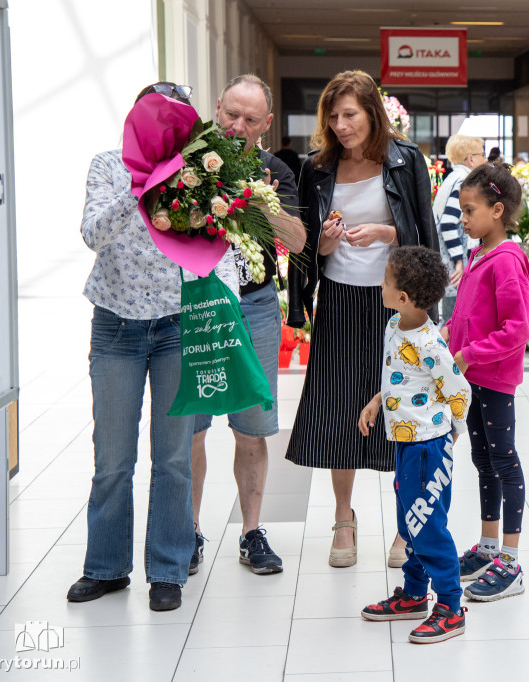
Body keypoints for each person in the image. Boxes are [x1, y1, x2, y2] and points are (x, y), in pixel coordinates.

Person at [67, 82, 238, 612]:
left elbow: (222, 238)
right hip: (116, 325)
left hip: (177, 325)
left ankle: (167, 569)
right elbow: (92, 233)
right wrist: (142, 185)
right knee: (112, 458)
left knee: (172, 458)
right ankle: (106, 567)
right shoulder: (106, 165)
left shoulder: (203, 168)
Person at [285, 70, 436, 569]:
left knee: (400, 409)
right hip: (339, 301)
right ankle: (344, 519)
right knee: (337, 407)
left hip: (396, 302)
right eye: (333, 115)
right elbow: (307, 244)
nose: (341, 124)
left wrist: (386, 233)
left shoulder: (405, 160)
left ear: (373, 113)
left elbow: (422, 231)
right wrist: (325, 244)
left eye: (350, 114)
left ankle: (403, 524)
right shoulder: (318, 167)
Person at [189, 75, 307, 578]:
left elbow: (299, 241)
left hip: (255, 307)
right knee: (189, 426)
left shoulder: (275, 169)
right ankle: (188, 533)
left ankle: (251, 531)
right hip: (193, 305)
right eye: (230, 114)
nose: (237, 126)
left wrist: (259, 203)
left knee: (253, 427)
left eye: (250, 120)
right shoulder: (189, 161)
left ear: (266, 125)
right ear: (217, 108)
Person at [358, 246, 471, 643]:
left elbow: (459, 388)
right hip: (405, 442)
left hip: (427, 446)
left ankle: (451, 606)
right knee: (410, 522)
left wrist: (454, 429)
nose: (381, 284)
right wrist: (376, 402)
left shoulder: (429, 345)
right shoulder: (394, 326)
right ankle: (413, 594)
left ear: (403, 297)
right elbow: (397, 380)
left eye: (386, 281)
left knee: (427, 525)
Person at [445, 163, 529, 601]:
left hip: (494, 378)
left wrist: (471, 353)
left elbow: (518, 328)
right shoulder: (480, 253)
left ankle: (511, 564)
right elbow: (471, 315)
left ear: (497, 210)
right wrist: (446, 334)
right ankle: (488, 547)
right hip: (473, 376)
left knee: (504, 462)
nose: (462, 219)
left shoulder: (506, 261)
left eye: (468, 210)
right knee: (483, 459)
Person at [432, 135, 485, 322]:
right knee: (452, 320)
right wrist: (458, 260)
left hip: (442, 258)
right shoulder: (463, 181)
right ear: (470, 158)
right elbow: (448, 223)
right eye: (482, 154)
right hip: (451, 262)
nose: (485, 160)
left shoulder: (452, 178)